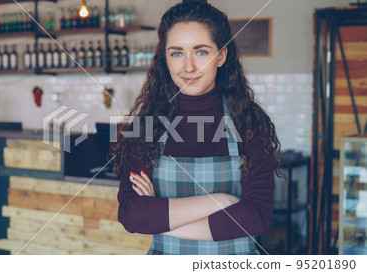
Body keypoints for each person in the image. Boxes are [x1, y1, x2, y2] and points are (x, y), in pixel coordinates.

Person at [110, 0, 284, 255]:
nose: (188, 67)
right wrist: (220, 201)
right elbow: (130, 213)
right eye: (177, 53)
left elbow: (255, 217)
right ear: (165, 58)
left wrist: (159, 218)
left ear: (221, 56)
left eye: (201, 52)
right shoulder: (149, 127)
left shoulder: (249, 123)